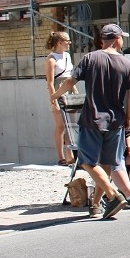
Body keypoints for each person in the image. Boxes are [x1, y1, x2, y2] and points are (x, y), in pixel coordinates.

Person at [49, 23, 130, 220]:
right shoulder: (127, 63)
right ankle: (96, 204)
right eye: (122, 37)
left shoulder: (90, 58)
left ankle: (113, 195)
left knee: (87, 161)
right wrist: (129, 117)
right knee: (106, 163)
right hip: (116, 120)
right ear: (116, 39)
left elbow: (70, 81)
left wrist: (55, 95)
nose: (123, 40)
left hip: (93, 118)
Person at [44, 31, 74, 166]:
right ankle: (61, 157)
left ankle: (70, 156)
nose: (69, 43)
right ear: (59, 43)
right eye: (67, 41)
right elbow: (50, 82)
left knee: (70, 126)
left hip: (69, 89)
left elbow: (70, 76)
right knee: (61, 125)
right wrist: (54, 100)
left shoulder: (67, 55)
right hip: (58, 90)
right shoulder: (51, 59)